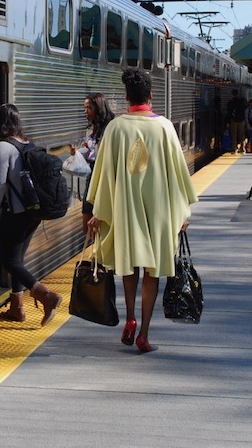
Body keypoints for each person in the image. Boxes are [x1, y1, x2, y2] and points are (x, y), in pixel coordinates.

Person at [87, 68, 198, 354]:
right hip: (159, 210)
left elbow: (103, 175)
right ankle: (144, 334)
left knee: (129, 264)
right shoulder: (164, 127)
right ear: (151, 96)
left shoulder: (115, 128)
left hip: (125, 209)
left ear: (126, 98)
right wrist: (182, 212)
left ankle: (130, 317)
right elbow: (178, 174)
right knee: (152, 270)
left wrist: (98, 212)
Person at [0, 103, 62, 325]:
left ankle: (45, 295)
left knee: (8, 261)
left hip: (15, 213)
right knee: (17, 260)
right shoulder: (28, 143)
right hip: (33, 213)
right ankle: (16, 308)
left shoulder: (3, 147)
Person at [70, 93, 115, 234]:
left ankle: (100, 254)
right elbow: (90, 151)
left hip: (105, 175)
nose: (86, 111)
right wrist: (78, 152)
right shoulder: (91, 128)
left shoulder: (111, 128)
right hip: (92, 174)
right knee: (87, 224)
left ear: (99, 108)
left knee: (101, 221)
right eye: (85, 108)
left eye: (89, 108)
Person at [226, 89, 247, 154]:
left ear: (232, 94)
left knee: (233, 135)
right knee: (242, 134)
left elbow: (229, 113)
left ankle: (234, 149)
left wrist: (227, 122)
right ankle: (242, 148)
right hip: (242, 120)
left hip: (233, 120)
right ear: (238, 94)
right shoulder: (242, 101)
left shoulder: (230, 103)